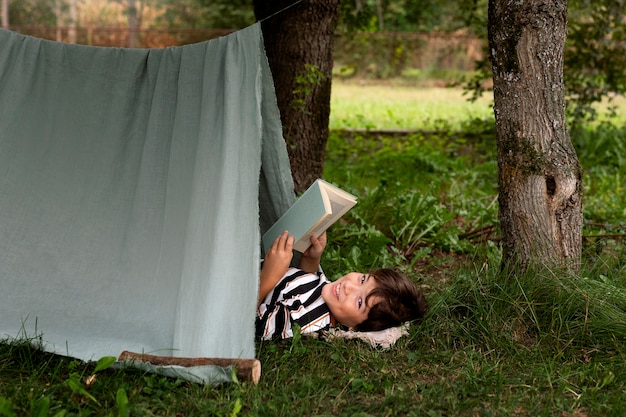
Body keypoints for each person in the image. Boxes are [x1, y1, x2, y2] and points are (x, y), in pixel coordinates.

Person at [256, 230, 428, 340]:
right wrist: (311, 259)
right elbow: (302, 289)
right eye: (362, 280)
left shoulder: (306, 320)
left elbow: (249, 323)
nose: (349, 287)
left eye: (359, 302)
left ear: (355, 328)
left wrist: (269, 277)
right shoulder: (330, 299)